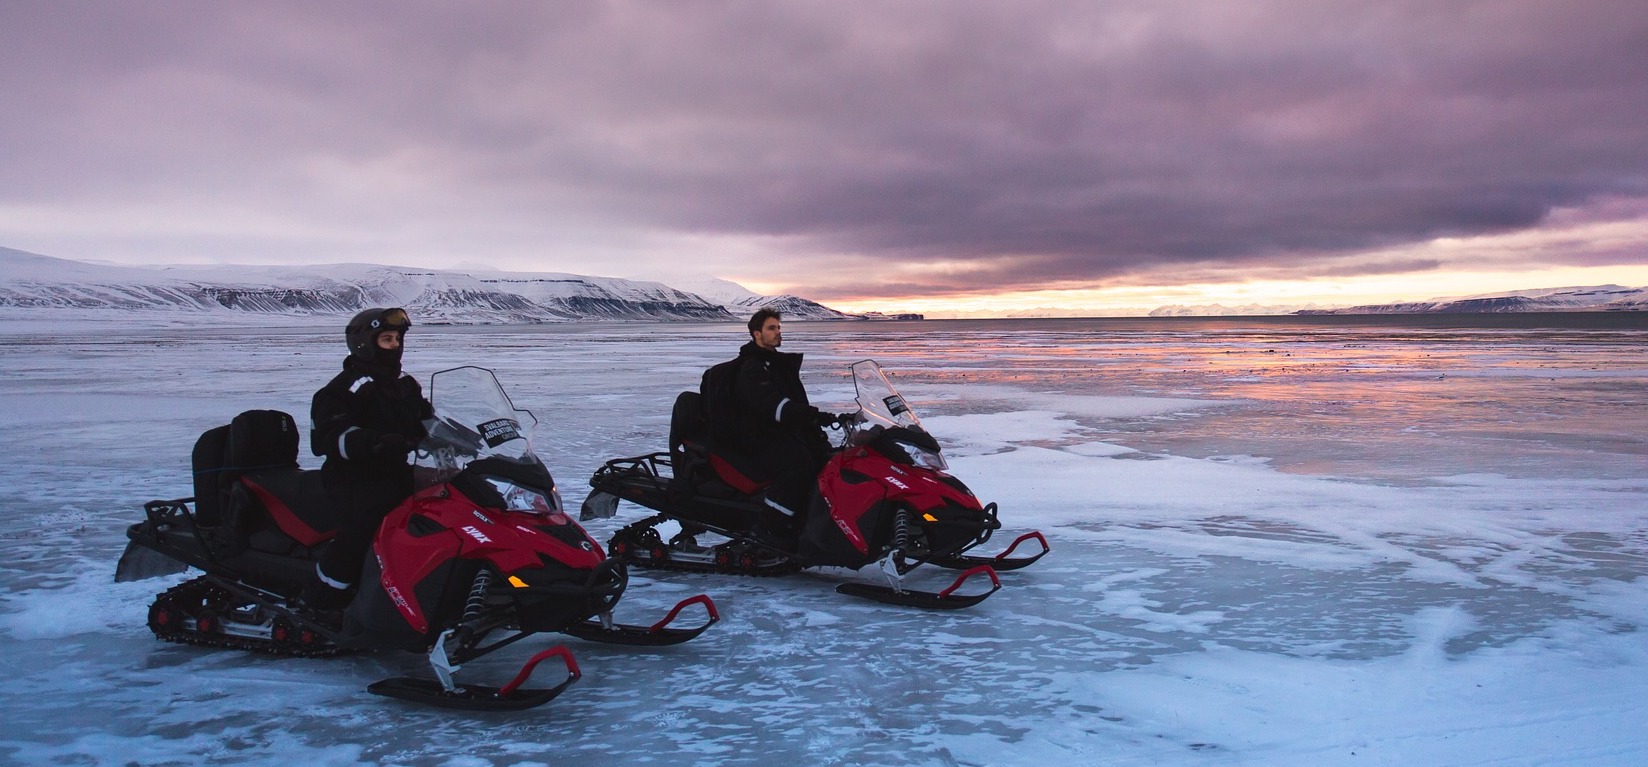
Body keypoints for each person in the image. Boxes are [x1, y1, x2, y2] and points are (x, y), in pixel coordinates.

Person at [305, 307, 432, 608]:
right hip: (353, 477)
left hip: (396, 472)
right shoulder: (344, 388)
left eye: (397, 340)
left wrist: (461, 435)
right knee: (371, 521)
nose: (395, 346)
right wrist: (373, 442)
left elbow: (426, 418)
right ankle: (323, 599)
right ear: (365, 344)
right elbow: (327, 437)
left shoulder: (404, 386)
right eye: (387, 339)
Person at [716, 308, 841, 526]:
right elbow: (771, 404)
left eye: (779, 328)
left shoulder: (776, 364)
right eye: (771, 328)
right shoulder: (752, 367)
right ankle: (774, 525)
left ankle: (817, 520)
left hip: (777, 430)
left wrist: (816, 419)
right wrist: (813, 416)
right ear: (757, 333)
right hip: (755, 434)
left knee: (824, 455)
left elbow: (792, 400)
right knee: (799, 463)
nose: (778, 332)